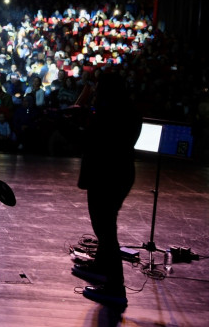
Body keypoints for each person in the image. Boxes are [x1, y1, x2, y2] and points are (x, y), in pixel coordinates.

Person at [72, 71, 142, 310]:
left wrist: (77, 124)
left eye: (99, 87)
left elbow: (94, 141)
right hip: (118, 174)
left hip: (107, 175)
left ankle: (115, 288)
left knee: (106, 230)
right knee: (105, 226)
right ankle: (102, 267)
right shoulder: (127, 108)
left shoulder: (110, 112)